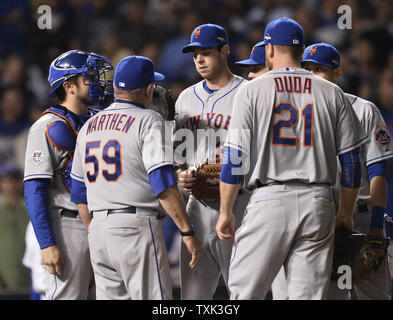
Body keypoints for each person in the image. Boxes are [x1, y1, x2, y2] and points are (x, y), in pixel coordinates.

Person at [216, 17, 366, 300]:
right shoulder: (332, 92)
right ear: (302, 51)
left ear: (269, 50)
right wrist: (345, 212)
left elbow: (234, 158)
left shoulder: (251, 90)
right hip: (318, 203)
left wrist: (225, 211)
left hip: (269, 200)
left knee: (244, 294)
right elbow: (352, 163)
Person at [70, 55, 201, 300]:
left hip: (98, 230)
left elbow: (78, 194)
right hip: (135, 227)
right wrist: (186, 231)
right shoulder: (148, 120)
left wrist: (98, 231)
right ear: (149, 89)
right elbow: (163, 184)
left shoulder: (89, 125)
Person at [301, 43, 393, 300]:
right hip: (319, 219)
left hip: (361, 219)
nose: (312, 75)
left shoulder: (364, 110)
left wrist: (376, 226)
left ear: (338, 72)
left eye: (319, 69)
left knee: (375, 296)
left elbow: (378, 171)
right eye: (307, 68)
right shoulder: (299, 114)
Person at [23, 50, 114, 300]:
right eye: (89, 77)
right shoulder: (46, 126)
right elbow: (34, 189)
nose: (97, 82)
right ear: (69, 86)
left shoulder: (101, 120)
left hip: (104, 221)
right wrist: (46, 244)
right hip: (67, 224)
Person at [175, 23, 249, 300]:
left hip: (238, 203)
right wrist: (182, 174)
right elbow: (180, 154)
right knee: (192, 295)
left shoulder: (247, 92)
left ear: (225, 51)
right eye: (195, 55)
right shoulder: (185, 98)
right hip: (196, 205)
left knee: (243, 291)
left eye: (206, 52)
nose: (199, 60)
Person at [0, 164, 30, 292]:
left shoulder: (29, 208)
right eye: (7, 180)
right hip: (5, 280)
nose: (11, 184)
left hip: (28, 278)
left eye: (15, 179)